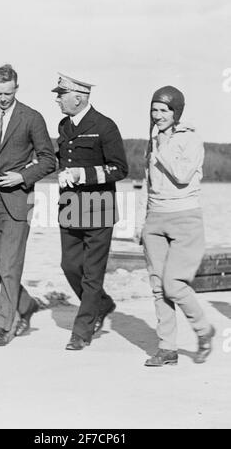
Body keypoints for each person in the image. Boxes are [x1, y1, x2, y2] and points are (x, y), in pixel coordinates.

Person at [0, 64, 56, 346]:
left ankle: (5, 326)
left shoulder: (32, 118)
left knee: (10, 265)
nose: (3, 98)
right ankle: (26, 304)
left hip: (18, 201)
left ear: (16, 87)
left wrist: (23, 176)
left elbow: (48, 159)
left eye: (7, 92)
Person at [136, 85, 215, 366]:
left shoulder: (190, 139)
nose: (157, 115)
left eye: (164, 110)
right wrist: (142, 223)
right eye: (154, 110)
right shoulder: (153, 140)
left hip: (185, 217)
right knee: (158, 286)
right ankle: (167, 348)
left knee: (174, 285)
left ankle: (204, 331)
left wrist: (161, 146)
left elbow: (181, 175)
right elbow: (149, 184)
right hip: (155, 218)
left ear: (176, 112)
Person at [52, 73, 129, 350]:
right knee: (70, 265)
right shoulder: (64, 125)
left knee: (92, 273)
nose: (57, 99)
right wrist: (62, 173)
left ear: (78, 97)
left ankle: (81, 332)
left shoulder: (105, 126)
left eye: (60, 95)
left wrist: (82, 174)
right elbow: (65, 159)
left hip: (98, 207)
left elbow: (120, 168)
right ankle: (103, 303)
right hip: (70, 206)